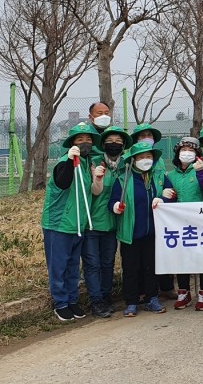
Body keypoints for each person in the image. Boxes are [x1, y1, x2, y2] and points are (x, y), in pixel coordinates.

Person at [41, 123, 104, 321]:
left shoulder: (87, 164)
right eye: (80, 139)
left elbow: (91, 192)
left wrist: (97, 179)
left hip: (78, 223)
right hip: (58, 224)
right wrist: (69, 161)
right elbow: (63, 182)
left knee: (72, 266)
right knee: (58, 266)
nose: (85, 142)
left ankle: (72, 300)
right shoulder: (64, 162)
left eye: (88, 139)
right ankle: (60, 302)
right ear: (72, 143)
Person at [110, 142, 176, 317]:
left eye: (148, 157)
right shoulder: (123, 179)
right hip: (130, 233)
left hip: (153, 233)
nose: (145, 160)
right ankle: (131, 302)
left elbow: (171, 194)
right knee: (131, 268)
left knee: (150, 267)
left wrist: (163, 198)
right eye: (141, 157)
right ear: (133, 160)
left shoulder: (160, 176)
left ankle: (152, 298)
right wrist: (116, 206)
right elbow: (112, 201)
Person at [83, 126, 131, 318]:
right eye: (110, 141)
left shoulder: (126, 166)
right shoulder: (93, 163)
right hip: (91, 224)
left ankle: (105, 296)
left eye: (118, 141)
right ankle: (96, 300)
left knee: (107, 263)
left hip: (112, 225)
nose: (114, 144)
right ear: (103, 144)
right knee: (92, 264)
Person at [166, 137, 203, 312]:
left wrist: (202, 173)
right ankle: (183, 292)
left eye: (191, 150)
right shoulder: (170, 175)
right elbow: (168, 199)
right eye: (183, 150)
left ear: (197, 154)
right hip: (180, 224)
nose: (186, 153)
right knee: (182, 257)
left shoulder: (201, 170)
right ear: (177, 154)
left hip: (202, 222)